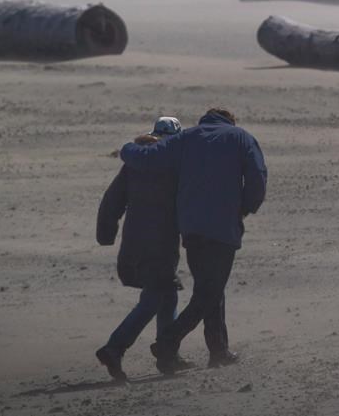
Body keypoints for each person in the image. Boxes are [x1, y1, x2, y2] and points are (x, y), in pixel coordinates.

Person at [119, 108, 267, 374]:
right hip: (223, 228)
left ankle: (218, 351)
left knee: (211, 289)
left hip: (191, 229)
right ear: (230, 122)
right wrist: (245, 208)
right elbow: (257, 176)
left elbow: (148, 157)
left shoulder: (187, 137)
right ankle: (167, 341)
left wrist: (127, 148)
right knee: (209, 292)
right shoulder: (241, 137)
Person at [94, 116, 191, 382]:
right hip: (159, 243)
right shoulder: (173, 166)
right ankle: (114, 348)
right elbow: (187, 202)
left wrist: (106, 233)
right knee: (153, 300)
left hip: (135, 241)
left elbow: (111, 200)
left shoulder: (134, 165)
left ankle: (168, 355)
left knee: (167, 294)